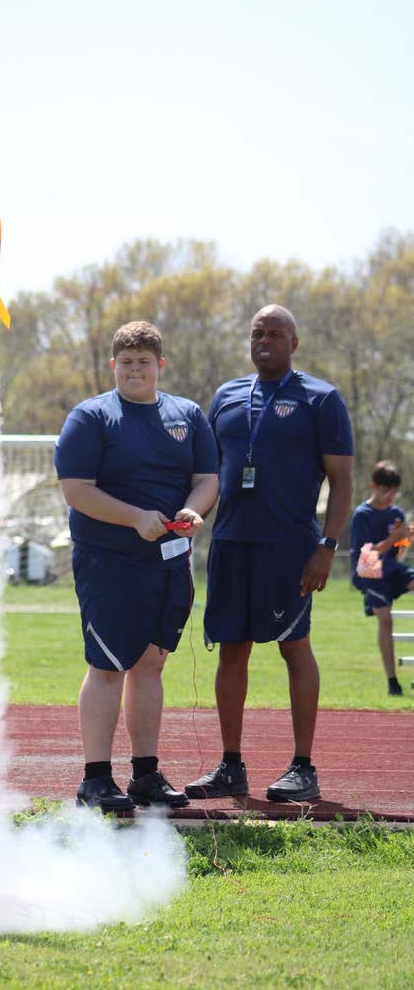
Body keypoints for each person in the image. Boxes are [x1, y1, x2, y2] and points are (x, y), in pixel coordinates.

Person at [185, 304, 354, 804]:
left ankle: (303, 767)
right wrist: (191, 517)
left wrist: (327, 546)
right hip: (231, 544)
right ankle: (231, 766)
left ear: (293, 342)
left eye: (275, 333)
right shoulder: (227, 396)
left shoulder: (322, 399)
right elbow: (209, 474)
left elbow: (342, 481)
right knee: (232, 649)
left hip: (290, 548)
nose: (265, 340)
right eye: (257, 332)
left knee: (292, 647)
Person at [55, 321, 219, 813]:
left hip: (169, 563)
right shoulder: (90, 417)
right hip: (109, 562)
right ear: (113, 366)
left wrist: (194, 510)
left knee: (151, 665)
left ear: (159, 365)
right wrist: (134, 519)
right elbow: (76, 490)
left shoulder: (187, 414)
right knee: (108, 665)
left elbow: (207, 478)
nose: (134, 370)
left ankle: (145, 775)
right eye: (126, 362)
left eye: (143, 362)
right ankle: (96, 779)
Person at [350, 460, 414, 696]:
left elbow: (397, 555)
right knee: (385, 619)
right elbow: (366, 557)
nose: (390, 496)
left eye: (394, 491)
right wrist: (393, 538)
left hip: (391, 568)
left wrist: (406, 539)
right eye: (385, 490)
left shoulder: (396, 512)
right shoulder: (362, 515)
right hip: (369, 572)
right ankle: (392, 682)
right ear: (373, 486)